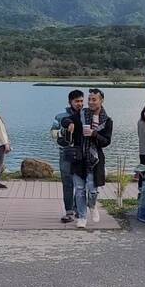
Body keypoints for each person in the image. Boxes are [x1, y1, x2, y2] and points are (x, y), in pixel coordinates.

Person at [62, 88, 113, 228]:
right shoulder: (81, 114)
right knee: (79, 189)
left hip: (95, 159)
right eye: (89, 99)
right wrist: (69, 124)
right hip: (79, 158)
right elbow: (65, 120)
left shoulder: (107, 121)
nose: (90, 102)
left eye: (93, 99)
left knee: (93, 190)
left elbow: (106, 141)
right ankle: (82, 218)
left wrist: (94, 134)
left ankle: (92, 205)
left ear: (101, 101)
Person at [52, 90, 85, 223]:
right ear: (70, 102)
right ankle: (69, 212)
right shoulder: (60, 116)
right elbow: (53, 134)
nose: (80, 104)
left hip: (82, 154)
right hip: (65, 153)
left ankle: (79, 209)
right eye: (77, 101)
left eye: (82, 101)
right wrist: (64, 131)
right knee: (67, 183)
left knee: (81, 183)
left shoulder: (86, 115)